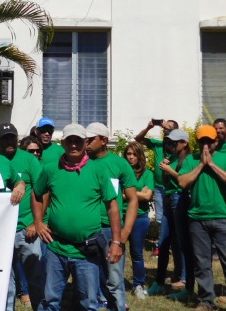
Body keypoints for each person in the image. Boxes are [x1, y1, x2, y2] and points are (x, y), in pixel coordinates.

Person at [31, 124, 123, 311]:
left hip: (86, 251)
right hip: (56, 247)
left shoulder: (98, 170)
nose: (73, 145)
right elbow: (36, 193)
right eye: (69, 141)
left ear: (85, 142)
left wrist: (116, 241)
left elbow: (112, 206)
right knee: (50, 301)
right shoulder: (51, 169)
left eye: (78, 141)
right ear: (63, 143)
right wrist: (38, 222)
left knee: (88, 304)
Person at [85, 122, 137, 311]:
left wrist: (123, 234)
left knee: (114, 280)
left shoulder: (119, 164)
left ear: (104, 140)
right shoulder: (81, 162)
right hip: (87, 230)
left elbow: (132, 200)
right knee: (88, 280)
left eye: (90, 139)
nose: (86, 143)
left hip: (111, 231)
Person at [0, 123, 44, 311]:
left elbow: (42, 192)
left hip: (27, 229)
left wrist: (35, 222)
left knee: (36, 277)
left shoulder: (29, 160)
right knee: (6, 281)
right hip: (1, 232)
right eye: (5, 138)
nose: (9, 141)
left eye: (12, 137)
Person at [177, 125, 226, 311]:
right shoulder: (191, 159)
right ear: (197, 142)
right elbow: (182, 182)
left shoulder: (224, 158)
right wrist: (201, 165)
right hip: (197, 218)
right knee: (202, 262)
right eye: (202, 141)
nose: (206, 145)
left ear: (216, 141)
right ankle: (206, 301)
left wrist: (212, 165)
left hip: (223, 216)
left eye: (209, 140)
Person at [147, 128, 192, 299]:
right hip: (168, 198)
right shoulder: (172, 157)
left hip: (180, 200)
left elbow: (183, 181)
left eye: (174, 142)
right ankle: (159, 283)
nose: (171, 145)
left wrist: (168, 170)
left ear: (184, 143)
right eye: (169, 142)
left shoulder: (189, 158)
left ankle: (187, 285)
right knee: (163, 242)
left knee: (183, 243)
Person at [135, 119, 178, 259]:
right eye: (165, 128)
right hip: (160, 187)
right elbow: (138, 139)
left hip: (174, 187)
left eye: (170, 128)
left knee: (176, 218)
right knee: (160, 217)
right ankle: (161, 245)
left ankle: (175, 244)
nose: (166, 129)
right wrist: (149, 127)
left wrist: (168, 128)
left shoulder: (178, 147)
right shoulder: (158, 145)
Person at [122, 142, 154, 299]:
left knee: (137, 253)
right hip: (120, 215)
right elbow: (115, 192)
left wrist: (126, 192)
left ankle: (138, 285)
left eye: (134, 154)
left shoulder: (148, 174)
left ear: (140, 156)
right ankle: (115, 284)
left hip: (140, 217)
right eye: (128, 154)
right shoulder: (120, 171)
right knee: (117, 250)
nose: (131, 157)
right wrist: (138, 193)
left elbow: (148, 196)